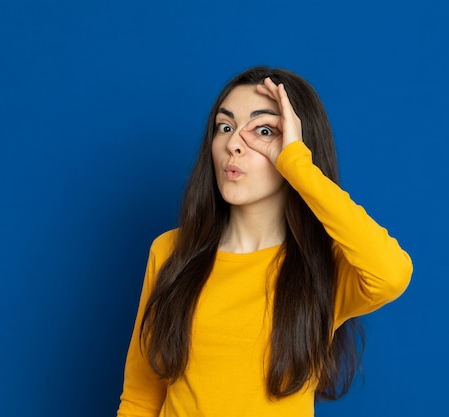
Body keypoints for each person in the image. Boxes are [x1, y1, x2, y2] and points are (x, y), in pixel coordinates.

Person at [116, 66, 412, 417]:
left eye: (264, 131)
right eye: (224, 127)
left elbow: (391, 274)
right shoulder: (169, 251)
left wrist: (297, 165)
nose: (233, 144)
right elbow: (140, 398)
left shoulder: (322, 268)